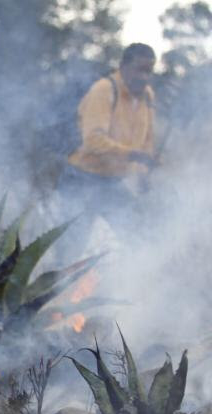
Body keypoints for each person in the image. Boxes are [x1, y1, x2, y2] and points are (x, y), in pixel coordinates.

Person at [58, 43, 157, 255]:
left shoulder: (147, 96)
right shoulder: (103, 90)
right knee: (69, 251)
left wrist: (142, 173)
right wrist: (132, 155)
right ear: (123, 66)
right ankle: (60, 286)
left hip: (112, 181)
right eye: (139, 69)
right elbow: (93, 140)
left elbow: (146, 140)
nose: (144, 77)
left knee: (138, 234)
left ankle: (131, 283)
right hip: (80, 178)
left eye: (149, 71)